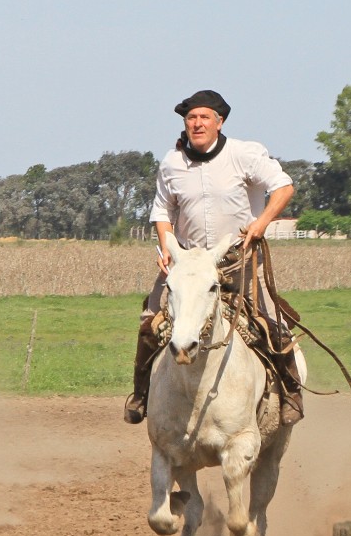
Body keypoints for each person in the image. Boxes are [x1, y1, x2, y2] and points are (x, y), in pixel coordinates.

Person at [126, 89, 299, 425]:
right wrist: (166, 249)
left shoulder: (245, 155)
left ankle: (291, 392)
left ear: (219, 123)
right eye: (191, 118)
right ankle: (141, 394)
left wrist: (261, 224)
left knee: (271, 322)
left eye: (205, 117)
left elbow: (284, 186)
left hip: (238, 260)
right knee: (151, 322)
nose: (197, 123)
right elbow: (162, 209)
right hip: (187, 264)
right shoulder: (172, 164)